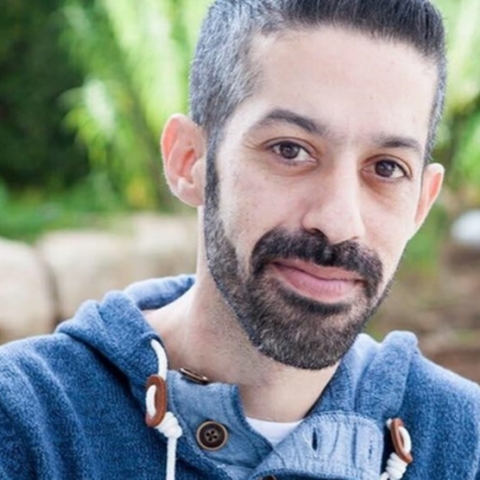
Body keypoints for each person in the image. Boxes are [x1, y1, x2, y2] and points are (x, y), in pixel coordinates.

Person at [1, 0, 479, 478]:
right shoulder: (24, 423)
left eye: (387, 168)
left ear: (421, 202)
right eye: (290, 150)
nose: (339, 222)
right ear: (189, 161)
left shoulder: (463, 447)